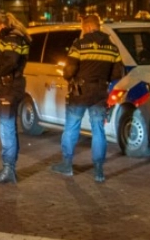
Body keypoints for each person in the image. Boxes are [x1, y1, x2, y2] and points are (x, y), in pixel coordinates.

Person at [51, 13, 124, 183]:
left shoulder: (79, 45)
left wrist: (70, 78)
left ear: (89, 27)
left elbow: (68, 71)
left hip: (80, 92)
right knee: (98, 129)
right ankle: (98, 170)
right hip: (99, 92)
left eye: (83, 28)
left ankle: (67, 165)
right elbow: (117, 73)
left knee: (71, 127)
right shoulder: (112, 47)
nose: (83, 31)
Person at [0, 12, 30, 185]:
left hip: (10, 87)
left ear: (2, 25)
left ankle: (9, 168)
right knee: (8, 127)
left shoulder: (12, 38)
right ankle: (8, 166)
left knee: (7, 129)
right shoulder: (14, 37)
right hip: (10, 86)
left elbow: (10, 62)